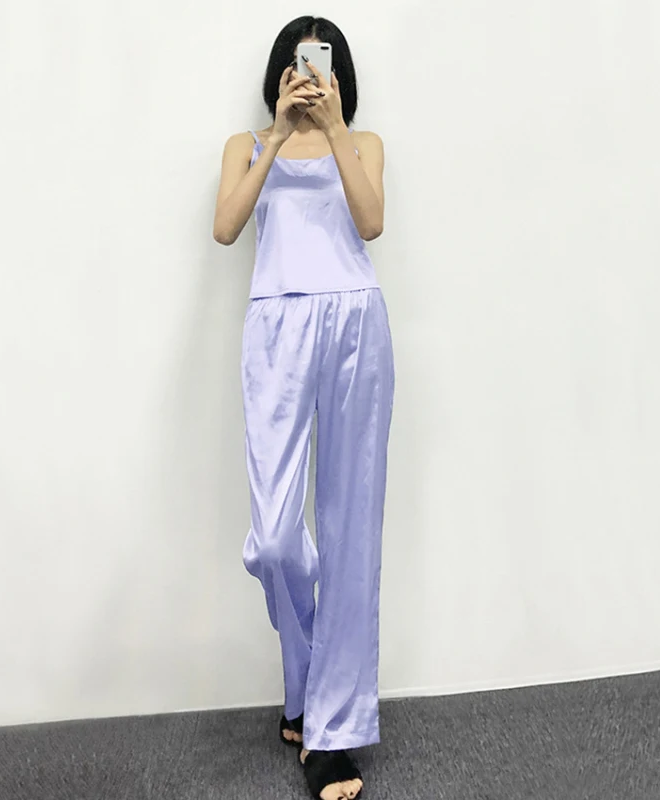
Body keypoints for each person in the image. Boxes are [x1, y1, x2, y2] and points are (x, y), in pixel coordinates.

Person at [213, 16, 394, 800]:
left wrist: (337, 130)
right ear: (281, 73)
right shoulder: (246, 144)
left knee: (352, 529)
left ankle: (332, 732)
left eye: (321, 63)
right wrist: (282, 135)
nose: (309, 75)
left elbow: (371, 222)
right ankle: (309, 685)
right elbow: (226, 228)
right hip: (277, 328)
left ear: (337, 72)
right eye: (297, 63)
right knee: (277, 538)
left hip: (356, 321)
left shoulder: (366, 142)